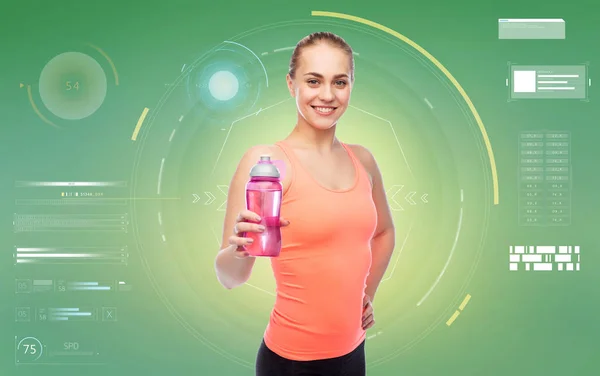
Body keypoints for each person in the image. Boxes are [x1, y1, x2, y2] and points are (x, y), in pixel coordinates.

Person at [214, 31, 396, 376]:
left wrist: (367, 293)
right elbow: (229, 278)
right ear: (291, 83)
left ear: (351, 85)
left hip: (354, 354)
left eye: (339, 82)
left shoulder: (364, 160)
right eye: (313, 81)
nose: (327, 95)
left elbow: (385, 232)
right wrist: (240, 251)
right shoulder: (266, 164)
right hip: (291, 363)